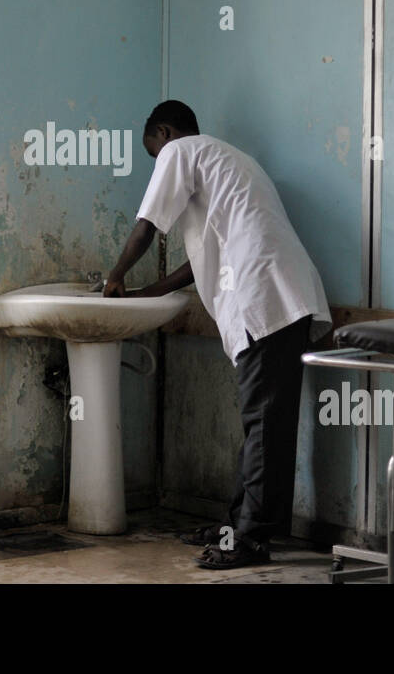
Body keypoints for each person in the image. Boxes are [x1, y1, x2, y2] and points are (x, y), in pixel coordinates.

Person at [103, 100, 331, 569]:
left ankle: (251, 540)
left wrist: (116, 276)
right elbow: (199, 260)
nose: (156, 162)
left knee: (264, 424)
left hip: (264, 296)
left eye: (153, 151)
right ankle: (241, 525)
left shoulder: (180, 151)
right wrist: (147, 290)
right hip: (283, 293)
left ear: (164, 134)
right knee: (264, 422)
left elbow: (146, 227)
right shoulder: (229, 160)